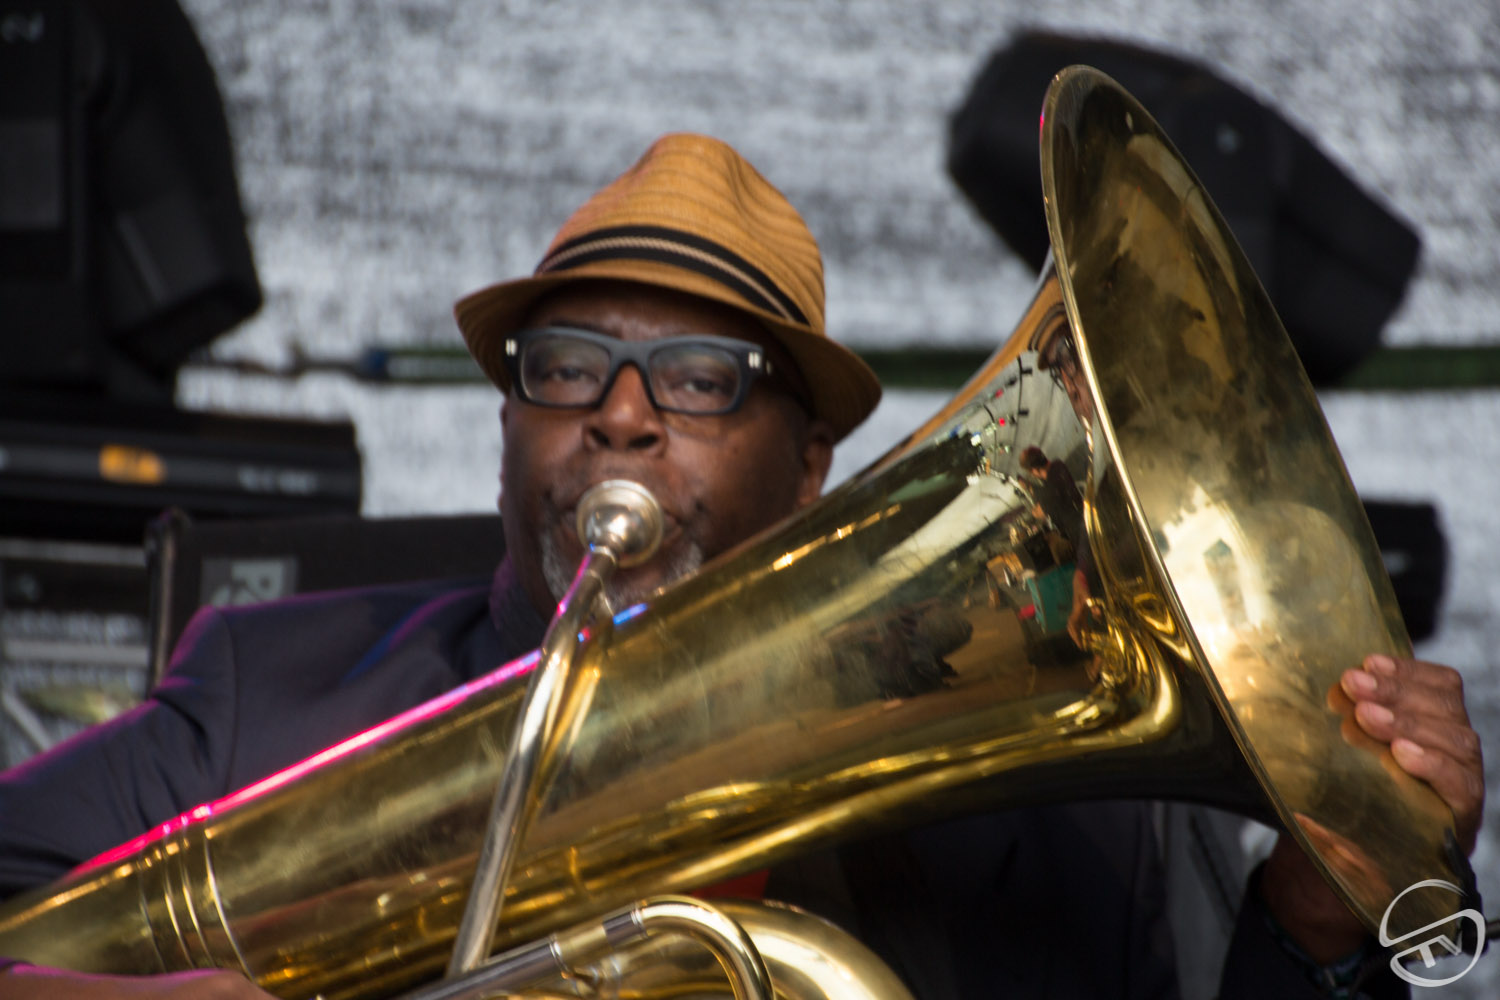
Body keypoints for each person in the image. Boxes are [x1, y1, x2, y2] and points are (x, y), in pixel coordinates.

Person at [0, 134, 1484, 999]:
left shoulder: (1054, 835)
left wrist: (1316, 927)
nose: (620, 414)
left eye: (701, 378)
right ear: (509, 427)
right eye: (564, 366)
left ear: (811, 463)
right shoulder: (263, 694)